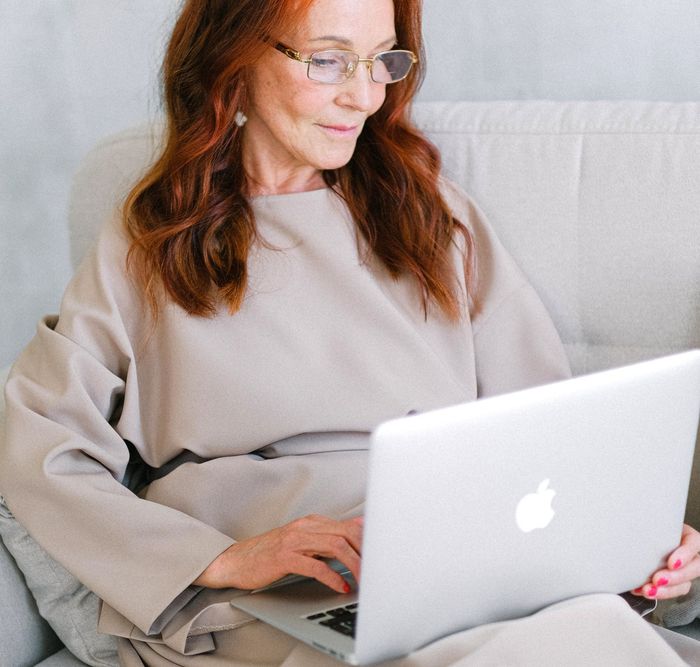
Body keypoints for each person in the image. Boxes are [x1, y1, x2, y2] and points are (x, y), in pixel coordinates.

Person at [1, 0, 699, 665]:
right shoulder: (152, 243)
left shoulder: (429, 215)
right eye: (329, 61)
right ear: (232, 57)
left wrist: (626, 542)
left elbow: (547, 436)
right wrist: (216, 557)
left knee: (585, 626)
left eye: (383, 61)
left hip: (457, 569)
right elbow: (39, 443)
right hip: (274, 597)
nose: (365, 97)